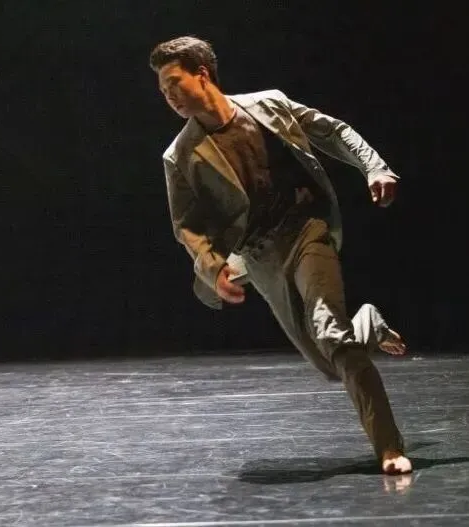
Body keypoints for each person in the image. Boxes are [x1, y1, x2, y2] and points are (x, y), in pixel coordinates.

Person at [149, 36, 412, 475]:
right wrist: (213, 269)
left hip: (307, 229)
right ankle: (368, 324)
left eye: (174, 82)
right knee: (329, 362)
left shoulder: (267, 105)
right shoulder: (180, 155)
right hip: (259, 256)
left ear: (202, 74)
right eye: (162, 90)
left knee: (331, 336)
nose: (169, 95)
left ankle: (388, 448)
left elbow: (332, 130)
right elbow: (186, 226)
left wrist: (375, 166)